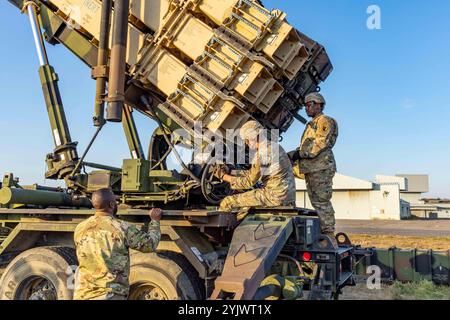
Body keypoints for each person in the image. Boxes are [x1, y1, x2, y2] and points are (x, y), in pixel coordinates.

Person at [73, 188, 162, 300]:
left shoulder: (80, 228)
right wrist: (155, 221)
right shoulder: (121, 227)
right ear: (111, 204)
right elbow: (150, 244)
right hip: (109, 294)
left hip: (83, 294)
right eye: (115, 201)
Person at [216, 120, 296, 213]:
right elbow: (253, 173)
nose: (246, 143)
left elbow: (249, 182)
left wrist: (224, 176)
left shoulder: (262, 154)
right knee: (243, 211)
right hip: (287, 195)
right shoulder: (275, 147)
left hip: (273, 196)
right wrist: (231, 172)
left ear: (253, 137)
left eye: (247, 140)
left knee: (227, 202)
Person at [291, 92, 339, 244]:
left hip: (320, 168)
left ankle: (329, 237)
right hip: (312, 168)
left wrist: (298, 153)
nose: (307, 108)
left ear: (319, 104)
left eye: (309, 104)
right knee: (316, 201)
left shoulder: (325, 121)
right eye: (306, 105)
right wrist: (291, 154)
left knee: (321, 201)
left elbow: (320, 143)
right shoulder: (312, 123)